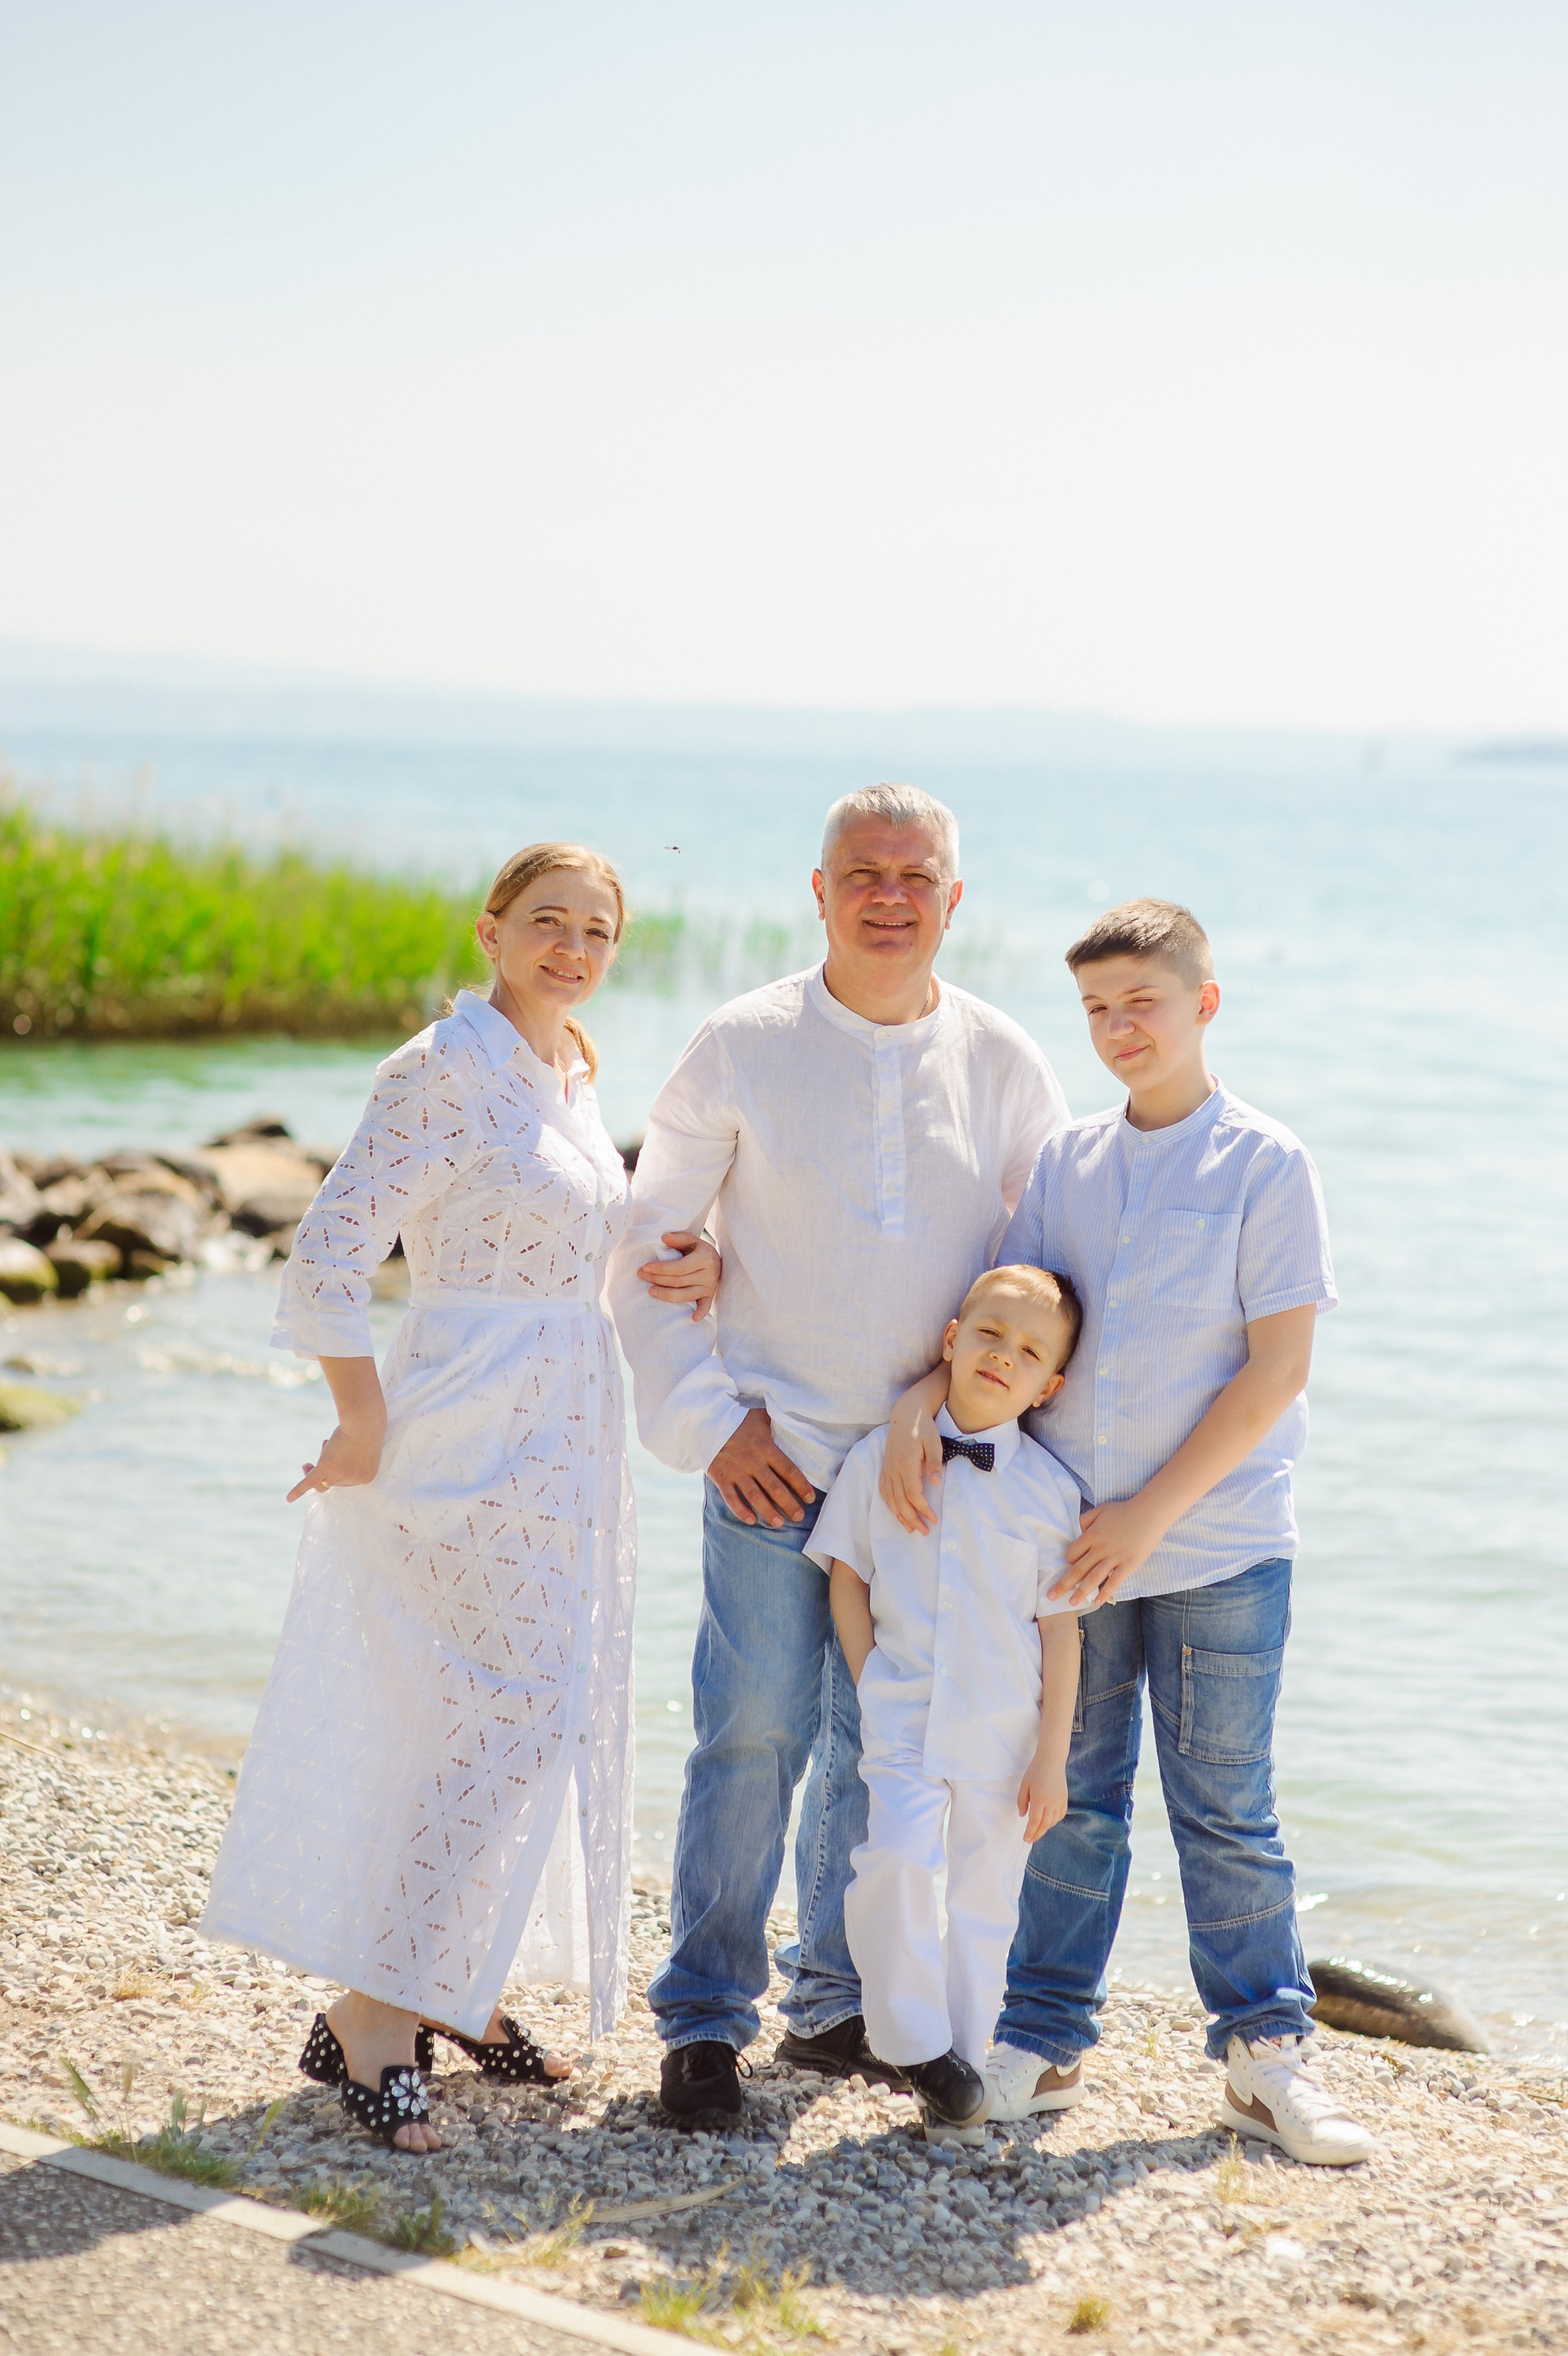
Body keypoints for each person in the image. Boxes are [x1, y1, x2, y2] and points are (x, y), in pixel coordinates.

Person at [201, 843, 716, 2152]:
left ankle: (451, 1978)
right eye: (550, 920)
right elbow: (327, 1251)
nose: (575, 945)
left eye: (599, 928)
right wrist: (362, 1417)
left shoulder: (571, 1067)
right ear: (492, 930)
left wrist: (676, 1262)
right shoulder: (442, 1070)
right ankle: (377, 2011)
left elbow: (567, 1237)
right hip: (465, 1430)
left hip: (564, 1431)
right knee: (515, 1715)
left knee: (507, 1714)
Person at [881, 898, 1372, 2166]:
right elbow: (1011, 1323)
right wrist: (922, 1402)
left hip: (1214, 1547)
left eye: (1139, 1004)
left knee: (1223, 1806)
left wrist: (1149, 1517)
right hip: (1070, 1554)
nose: (1115, 1030)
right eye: (1095, 1009)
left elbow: (1274, 1374)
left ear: (1203, 1004)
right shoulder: (1069, 1164)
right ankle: (1039, 2046)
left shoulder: (1266, 1163)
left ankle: (1266, 2059)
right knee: (1071, 1802)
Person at [606, 783, 1070, 2125]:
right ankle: (703, 2018)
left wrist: (941, 1394)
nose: (888, 893)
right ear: (818, 890)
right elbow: (650, 1248)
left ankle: (839, 2000)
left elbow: (1034, 1273)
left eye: (915, 874)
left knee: (891, 1739)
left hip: (921, 1478)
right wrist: (711, 1423)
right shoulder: (739, 1043)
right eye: (861, 872)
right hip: (773, 1449)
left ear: (953, 899)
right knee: (752, 1729)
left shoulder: (1005, 1061)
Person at [806, 1265, 1086, 2143]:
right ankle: (912, 2042)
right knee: (891, 1861)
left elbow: (1062, 1630)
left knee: (981, 1902)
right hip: (900, 1718)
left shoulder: (1047, 1493)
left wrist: (1051, 1755)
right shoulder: (878, 1460)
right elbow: (846, 1576)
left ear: (1052, 1386)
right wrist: (869, 1682)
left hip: (1004, 1736)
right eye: (990, 1334)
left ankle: (957, 2082)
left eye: (1030, 1351)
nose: (1004, 1357)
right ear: (951, 1339)